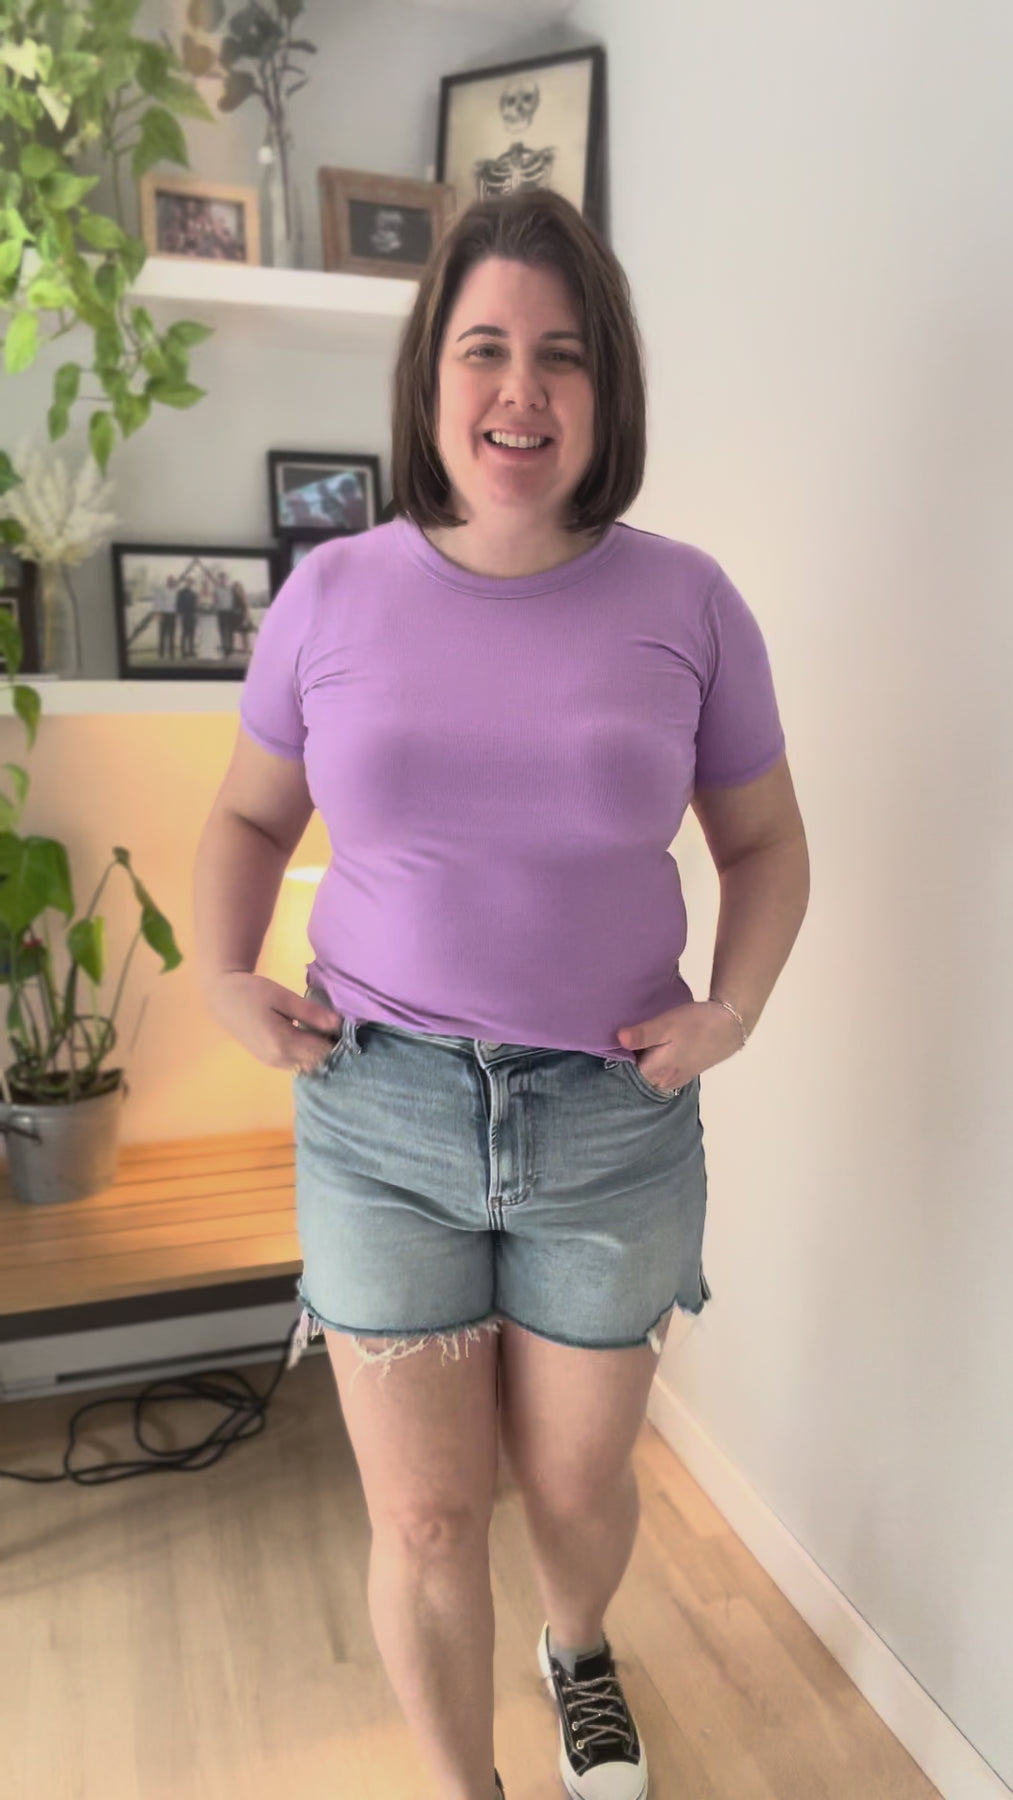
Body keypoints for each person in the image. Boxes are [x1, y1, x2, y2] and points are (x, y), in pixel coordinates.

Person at [193, 188, 809, 1800]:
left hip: (609, 1120)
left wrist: (731, 1012)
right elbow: (249, 817)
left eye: (560, 354)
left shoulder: (687, 602)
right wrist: (219, 975)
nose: (519, 390)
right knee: (421, 1514)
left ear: (606, 388)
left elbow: (764, 844)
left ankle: (576, 1646)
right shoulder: (333, 593)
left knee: (576, 1486)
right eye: (483, 348)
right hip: (380, 1112)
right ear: (431, 375)